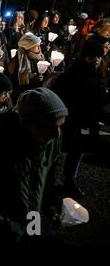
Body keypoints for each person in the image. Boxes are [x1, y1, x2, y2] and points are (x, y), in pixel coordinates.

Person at [0, 87, 68, 244]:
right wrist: (4, 224)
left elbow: (47, 176)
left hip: (33, 217)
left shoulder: (52, 140)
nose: (57, 134)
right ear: (29, 123)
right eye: (50, 126)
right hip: (0, 229)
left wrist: (51, 205)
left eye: (60, 125)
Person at [50, 37, 107, 198]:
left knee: (77, 150)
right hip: (69, 117)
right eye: (92, 56)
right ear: (85, 56)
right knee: (63, 149)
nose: (96, 60)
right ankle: (53, 181)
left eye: (99, 56)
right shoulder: (76, 72)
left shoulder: (94, 72)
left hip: (81, 118)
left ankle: (68, 180)